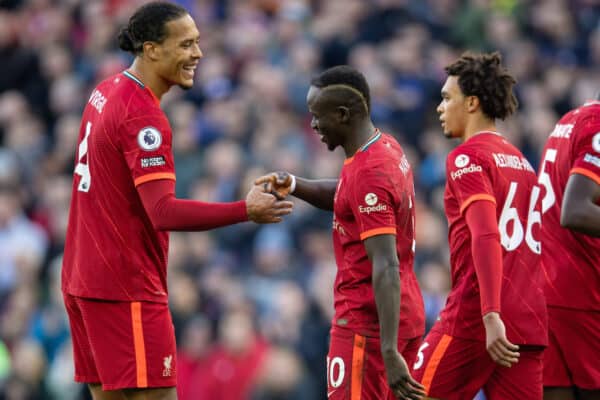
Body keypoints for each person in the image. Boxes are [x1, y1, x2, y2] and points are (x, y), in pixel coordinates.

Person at [61, 3, 292, 400]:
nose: (198, 54)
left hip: (83, 278)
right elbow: (162, 211)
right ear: (152, 50)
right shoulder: (143, 116)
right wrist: (244, 210)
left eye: (198, 43)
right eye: (186, 44)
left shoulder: (106, 89)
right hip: (124, 288)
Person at [257, 65, 426, 400]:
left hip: (368, 325)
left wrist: (389, 351)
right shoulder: (385, 148)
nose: (314, 125)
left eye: (318, 116)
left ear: (343, 114)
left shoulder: (369, 172)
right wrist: (294, 184)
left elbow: (386, 265)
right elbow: (348, 195)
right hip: (402, 314)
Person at [410, 52, 548, 400]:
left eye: (446, 98)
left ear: (471, 103)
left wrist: (490, 315)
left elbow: (486, 234)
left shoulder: (467, 157)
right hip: (527, 320)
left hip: (478, 317)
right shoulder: (523, 163)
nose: (440, 108)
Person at [538, 94, 600, 400]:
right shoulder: (596, 126)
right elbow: (575, 210)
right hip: (580, 294)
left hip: (548, 290)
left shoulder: (569, 120)